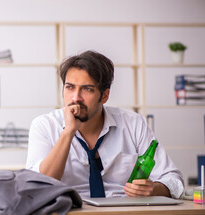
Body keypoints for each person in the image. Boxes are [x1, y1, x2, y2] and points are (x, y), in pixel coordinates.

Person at [26, 50, 184, 199]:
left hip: (123, 214)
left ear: (105, 96)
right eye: (70, 87)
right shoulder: (44, 125)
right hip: (69, 214)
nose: (76, 98)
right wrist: (68, 132)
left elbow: (174, 180)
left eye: (87, 89)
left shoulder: (133, 123)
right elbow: (39, 186)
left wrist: (155, 189)